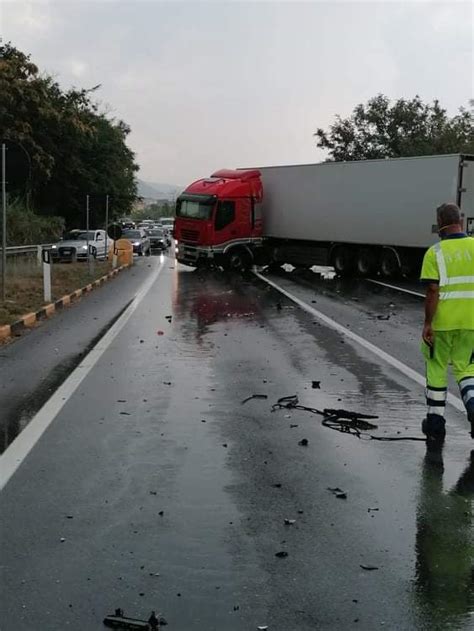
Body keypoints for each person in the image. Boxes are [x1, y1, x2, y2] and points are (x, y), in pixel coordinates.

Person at [420, 202, 474, 442]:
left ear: (440, 223)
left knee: (437, 368)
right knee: (467, 369)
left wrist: (427, 324)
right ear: (460, 221)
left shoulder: (435, 253)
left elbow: (432, 291)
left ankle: (435, 423)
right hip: (471, 323)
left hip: (442, 323)